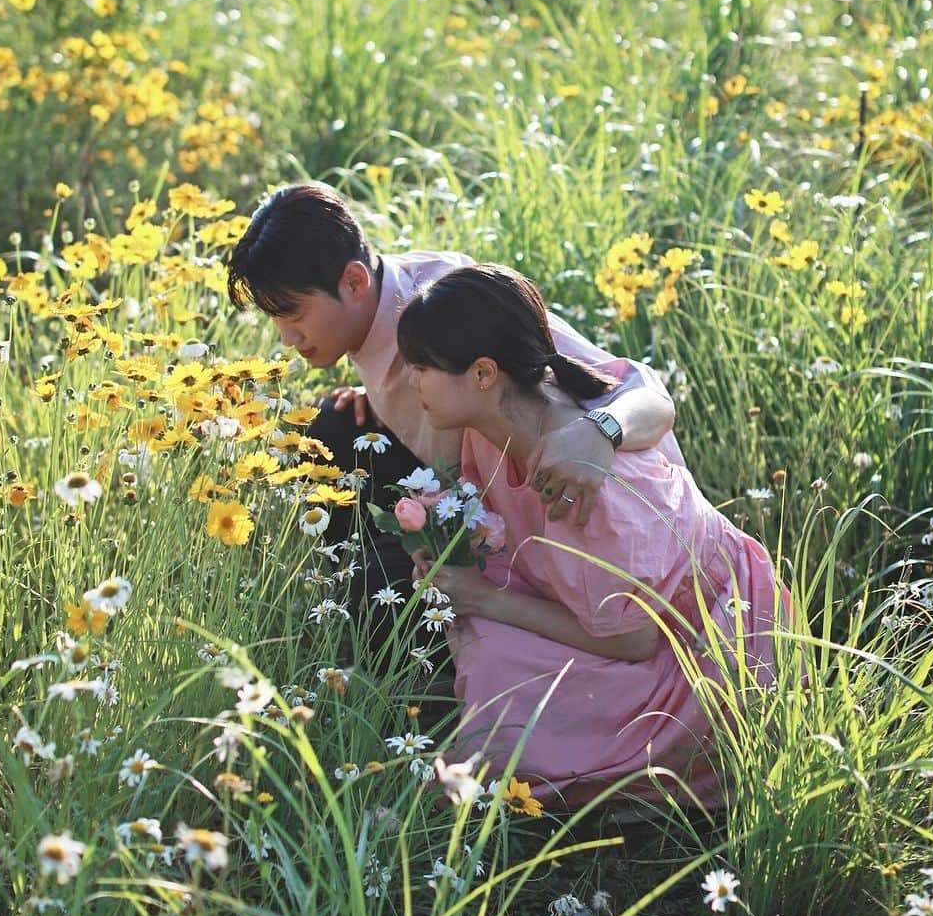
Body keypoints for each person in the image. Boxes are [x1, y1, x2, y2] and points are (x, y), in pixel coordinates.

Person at [226, 183, 679, 658]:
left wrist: (601, 434)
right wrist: (375, 398)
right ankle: (356, 595)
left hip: (563, 512)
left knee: (395, 611)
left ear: (354, 282)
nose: (285, 337)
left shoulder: (447, 304)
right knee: (332, 430)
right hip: (462, 489)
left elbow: (645, 393)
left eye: (293, 313)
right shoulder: (361, 317)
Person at [397, 264, 788, 810]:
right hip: (614, 618)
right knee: (489, 646)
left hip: (693, 654)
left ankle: (514, 780)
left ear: (484, 373)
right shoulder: (498, 423)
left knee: (495, 656)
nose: (411, 381)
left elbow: (636, 640)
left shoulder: (579, 484)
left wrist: (482, 596)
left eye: (421, 366)